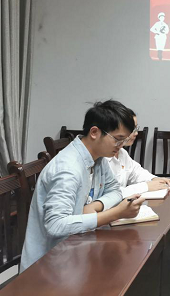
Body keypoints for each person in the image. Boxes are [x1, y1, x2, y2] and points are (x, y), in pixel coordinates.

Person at [20, 100, 145, 271]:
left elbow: (115, 190)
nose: (121, 146)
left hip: (77, 253)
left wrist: (95, 206)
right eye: (118, 139)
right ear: (94, 132)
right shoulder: (68, 169)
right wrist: (115, 213)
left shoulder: (98, 157)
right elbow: (55, 225)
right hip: (47, 266)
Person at [106, 111, 170, 198]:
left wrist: (154, 179)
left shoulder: (122, 152)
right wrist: (146, 186)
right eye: (132, 129)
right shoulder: (102, 157)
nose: (136, 133)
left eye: (136, 128)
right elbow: (110, 194)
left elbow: (136, 172)